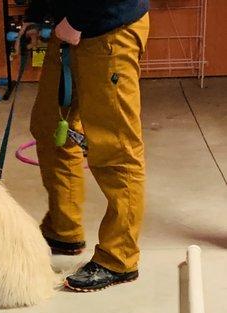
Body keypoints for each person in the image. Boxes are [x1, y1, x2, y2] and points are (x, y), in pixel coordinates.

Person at [21, 0, 150, 292]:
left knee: (116, 149)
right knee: (50, 127)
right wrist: (36, 15)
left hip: (109, 30)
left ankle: (119, 258)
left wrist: (78, 19)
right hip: (69, 27)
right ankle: (64, 230)